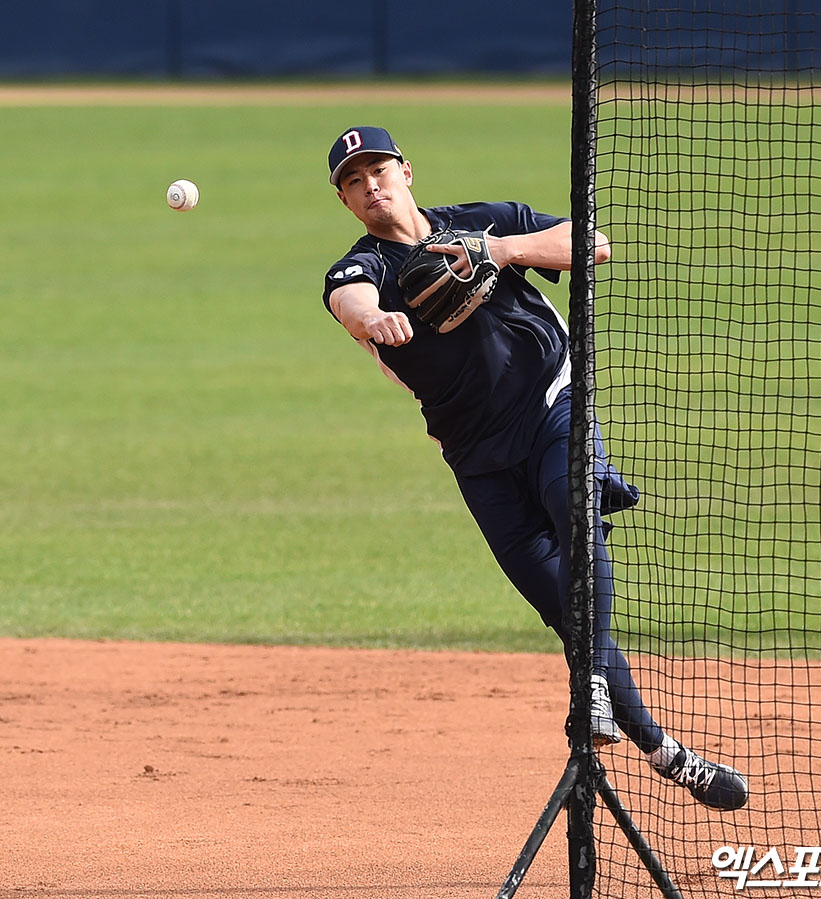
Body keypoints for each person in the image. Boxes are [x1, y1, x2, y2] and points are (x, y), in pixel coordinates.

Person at [321, 126, 748, 812]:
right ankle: (670, 754)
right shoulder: (363, 266)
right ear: (346, 201)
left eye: (378, 170)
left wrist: (501, 250)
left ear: (406, 171)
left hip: (554, 402)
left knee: (575, 510)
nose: (370, 186)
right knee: (570, 619)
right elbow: (349, 302)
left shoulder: (483, 221)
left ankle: (598, 693)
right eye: (353, 181)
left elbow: (595, 243)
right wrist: (376, 322)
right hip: (477, 457)